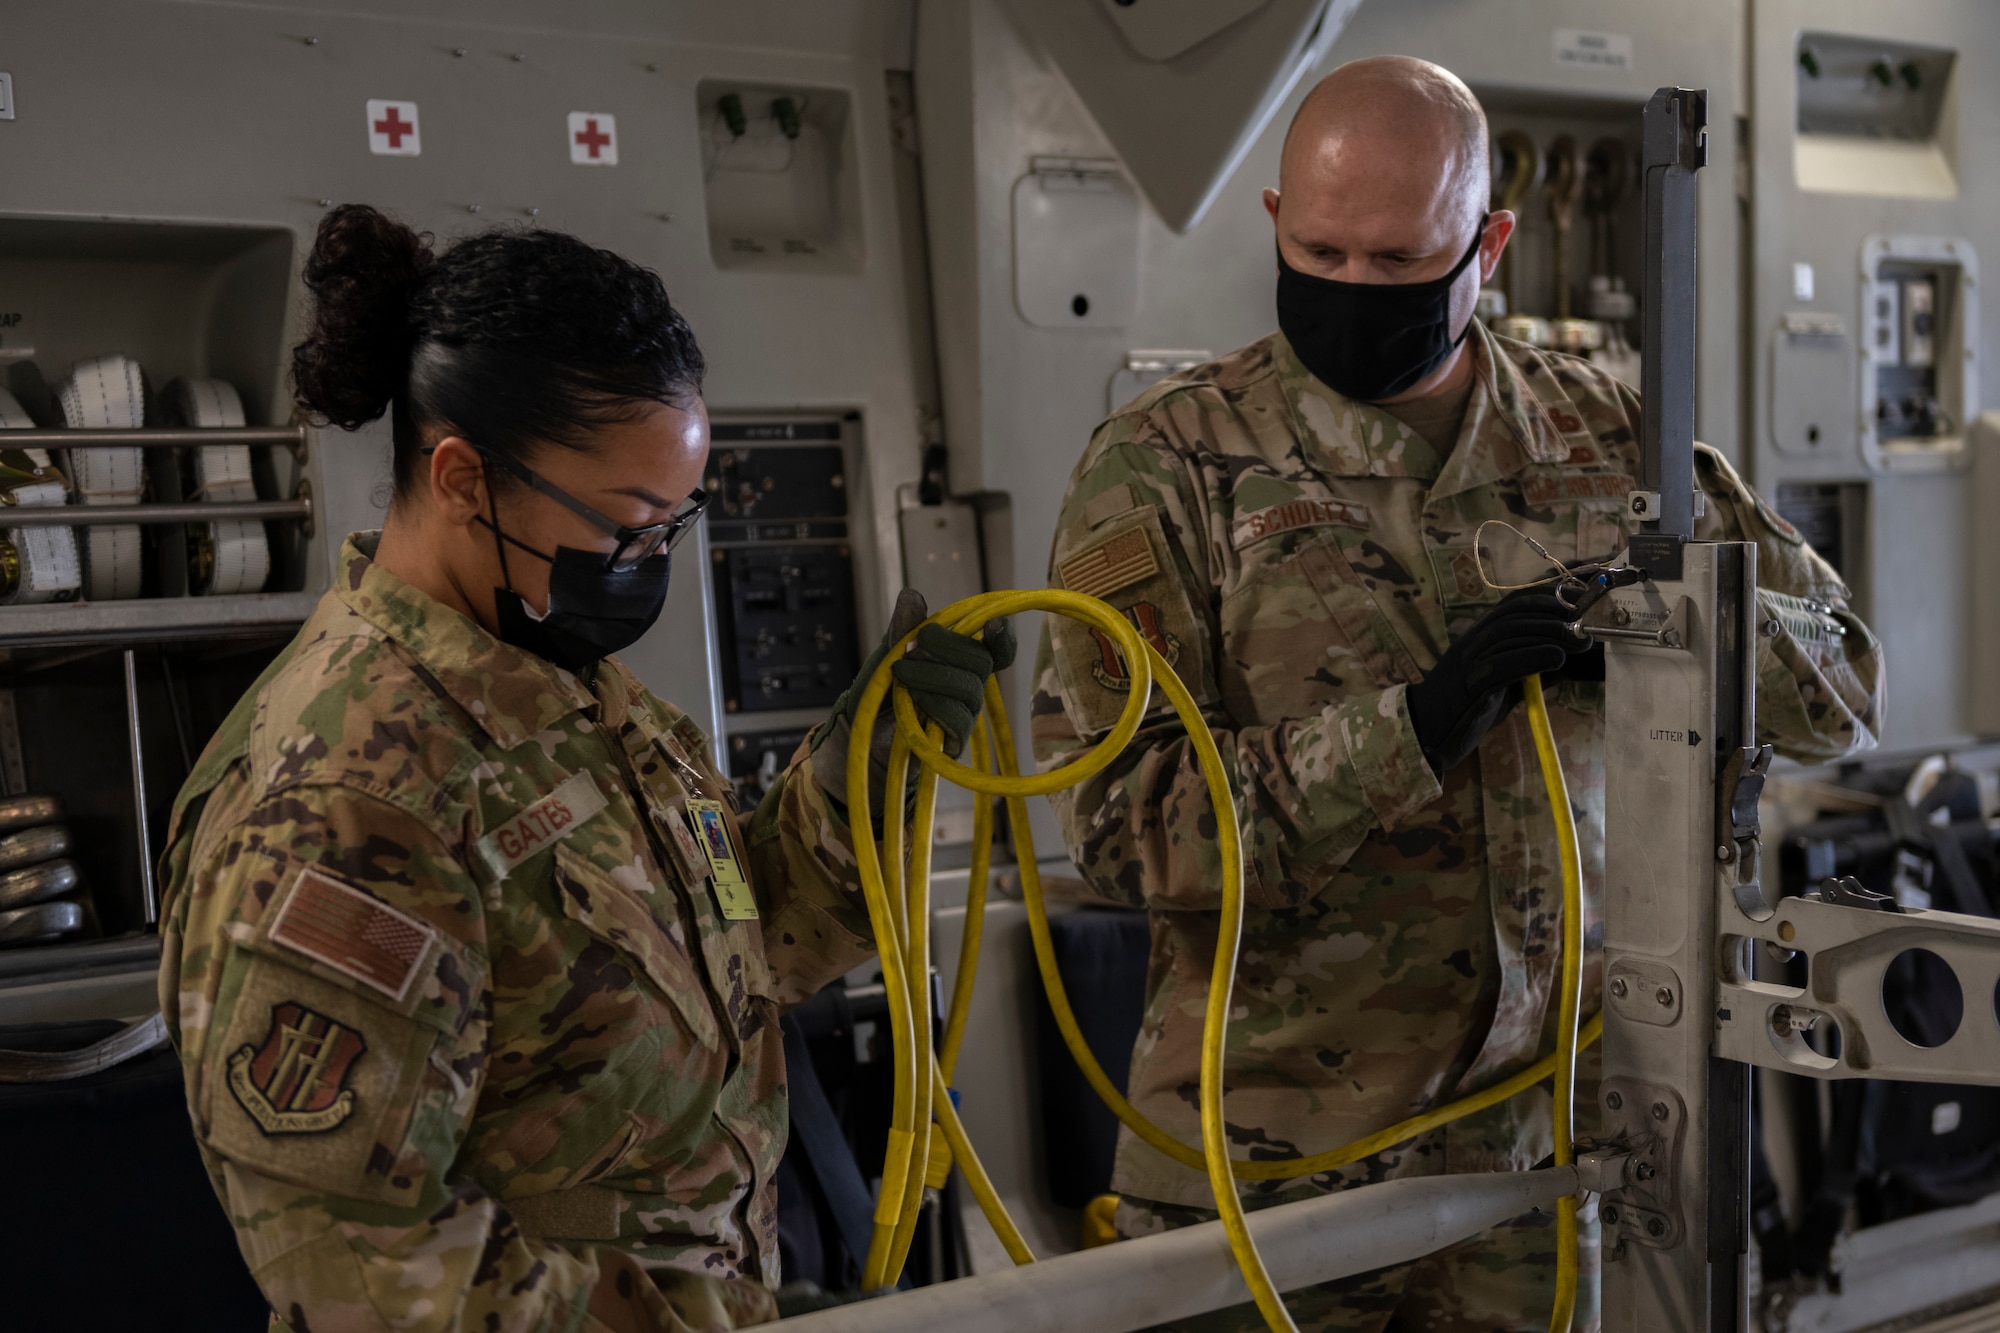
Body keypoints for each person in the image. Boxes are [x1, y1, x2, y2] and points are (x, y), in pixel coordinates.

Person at [1030, 57, 1882, 1333]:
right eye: (1321, 252)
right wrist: (1413, 726)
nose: (1354, 292)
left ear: (1486, 243)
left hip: (1534, 1174)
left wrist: (1680, 628)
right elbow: (1114, 832)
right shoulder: (1167, 468)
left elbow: (1846, 690)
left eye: (1396, 261)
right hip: (1267, 1178)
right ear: (1273, 223)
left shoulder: (1612, 443)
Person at [158, 205, 1011, 1333]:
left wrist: (868, 770)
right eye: (627, 527)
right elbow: (354, 1258)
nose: (648, 564)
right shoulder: (346, 793)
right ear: (463, 477)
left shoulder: (576, 698)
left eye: (673, 525)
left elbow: (741, 949)